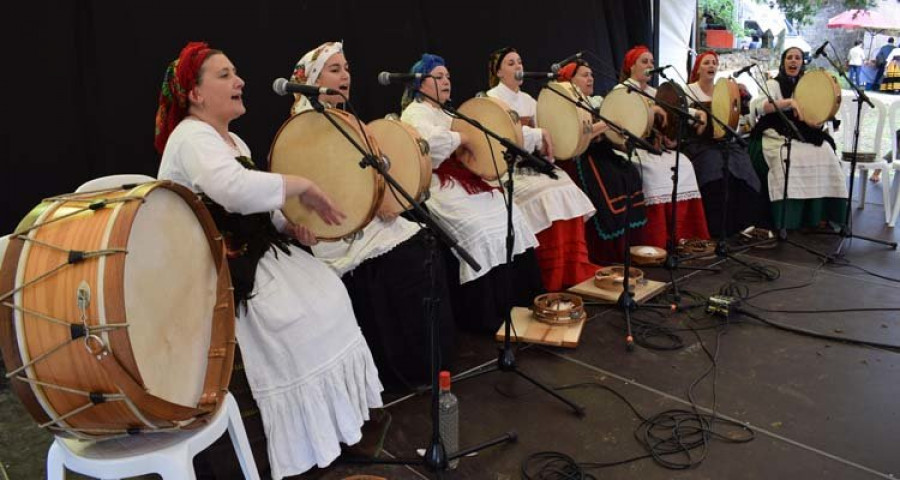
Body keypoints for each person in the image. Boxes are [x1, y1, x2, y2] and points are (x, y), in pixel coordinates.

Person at [155, 42, 383, 479]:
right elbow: (232, 189)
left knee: (329, 292)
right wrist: (302, 186)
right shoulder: (190, 136)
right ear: (196, 94)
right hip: (214, 267)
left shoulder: (231, 139)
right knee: (295, 317)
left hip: (254, 252)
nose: (239, 82)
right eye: (224, 75)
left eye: (235, 73)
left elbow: (254, 201)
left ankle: (329, 432)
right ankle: (298, 443)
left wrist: (287, 224)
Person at [287, 42, 456, 392]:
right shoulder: (301, 128)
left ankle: (432, 360)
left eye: (346, 68)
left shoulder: (346, 119)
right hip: (336, 226)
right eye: (335, 69)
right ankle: (403, 369)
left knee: (426, 244)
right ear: (314, 79)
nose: (345, 75)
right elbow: (308, 188)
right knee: (406, 262)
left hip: (366, 217)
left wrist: (387, 198)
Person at [400, 53, 544, 332]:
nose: (446, 82)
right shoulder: (414, 113)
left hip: (464, 179)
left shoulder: (450, 112)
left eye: (448, 77)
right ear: (419, 83)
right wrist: (462, 138)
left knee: (508, 213)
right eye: (438, 77)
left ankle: (517, 299)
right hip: (438, 184)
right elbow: (427, 145)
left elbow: (490, 133)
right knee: (478, 227)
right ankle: (488, 313)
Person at [485, 47, 597, 291]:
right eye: (511, 63)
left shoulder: (528, 100)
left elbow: (546, 127)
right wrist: (538, 134)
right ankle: (550, 272)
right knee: (546, 193)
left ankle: (573, 265)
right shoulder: (491, 99)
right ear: (499, 72)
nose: (518, 66)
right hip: (507, 169)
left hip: (533, 164)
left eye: (520, 61)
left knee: (565, 186)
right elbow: (507, 135)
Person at [554, 58, 649, 265]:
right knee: (609, 180)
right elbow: (578, 134)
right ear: (570, 80)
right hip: (579, 156)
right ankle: (605, 252)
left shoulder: (595, 102)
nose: (590, 78)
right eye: (584, 75)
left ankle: (627, 247)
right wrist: (607, 124)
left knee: (629, 172)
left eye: (591, 75)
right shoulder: (565, 104)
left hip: (599, 152)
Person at [617, 45, 711, 249]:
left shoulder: (654, 91)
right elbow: (626, 122)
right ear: (631, 66)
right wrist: (653, 111)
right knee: (656, 173)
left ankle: (683, 235)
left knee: (684, 164)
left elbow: (676, 109)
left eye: (652, 62)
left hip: (654, 148)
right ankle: (658, 238)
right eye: (644, 62)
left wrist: (697, 114)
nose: (650, 65)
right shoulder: (621, 91)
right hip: (631, 148)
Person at [748, 47, 848, 230]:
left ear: (802, 62)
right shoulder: (773, 84)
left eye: (797, 58)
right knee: (788, 157)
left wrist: (816, 120)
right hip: (775, 128)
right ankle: (787, 218)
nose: (793, 61)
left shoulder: (808, 84)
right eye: (789, 58)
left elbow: (815, 111)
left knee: (826, 151)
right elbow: (760, 107)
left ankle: (822, 214)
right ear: (783, 62)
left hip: (801, 129)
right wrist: (789, 102)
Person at [683, 50, 771, 237]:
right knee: (714, 172)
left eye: (714, 63)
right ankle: (717, 228)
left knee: (745, 170)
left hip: (725, 142)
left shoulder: (723, 90)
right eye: (706, 63)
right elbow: (683, 120)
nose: (711, 66)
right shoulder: (688, 90)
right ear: (698, 69)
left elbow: (736, 118)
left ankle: (746, 224)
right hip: (699, 143)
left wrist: (742, 96)